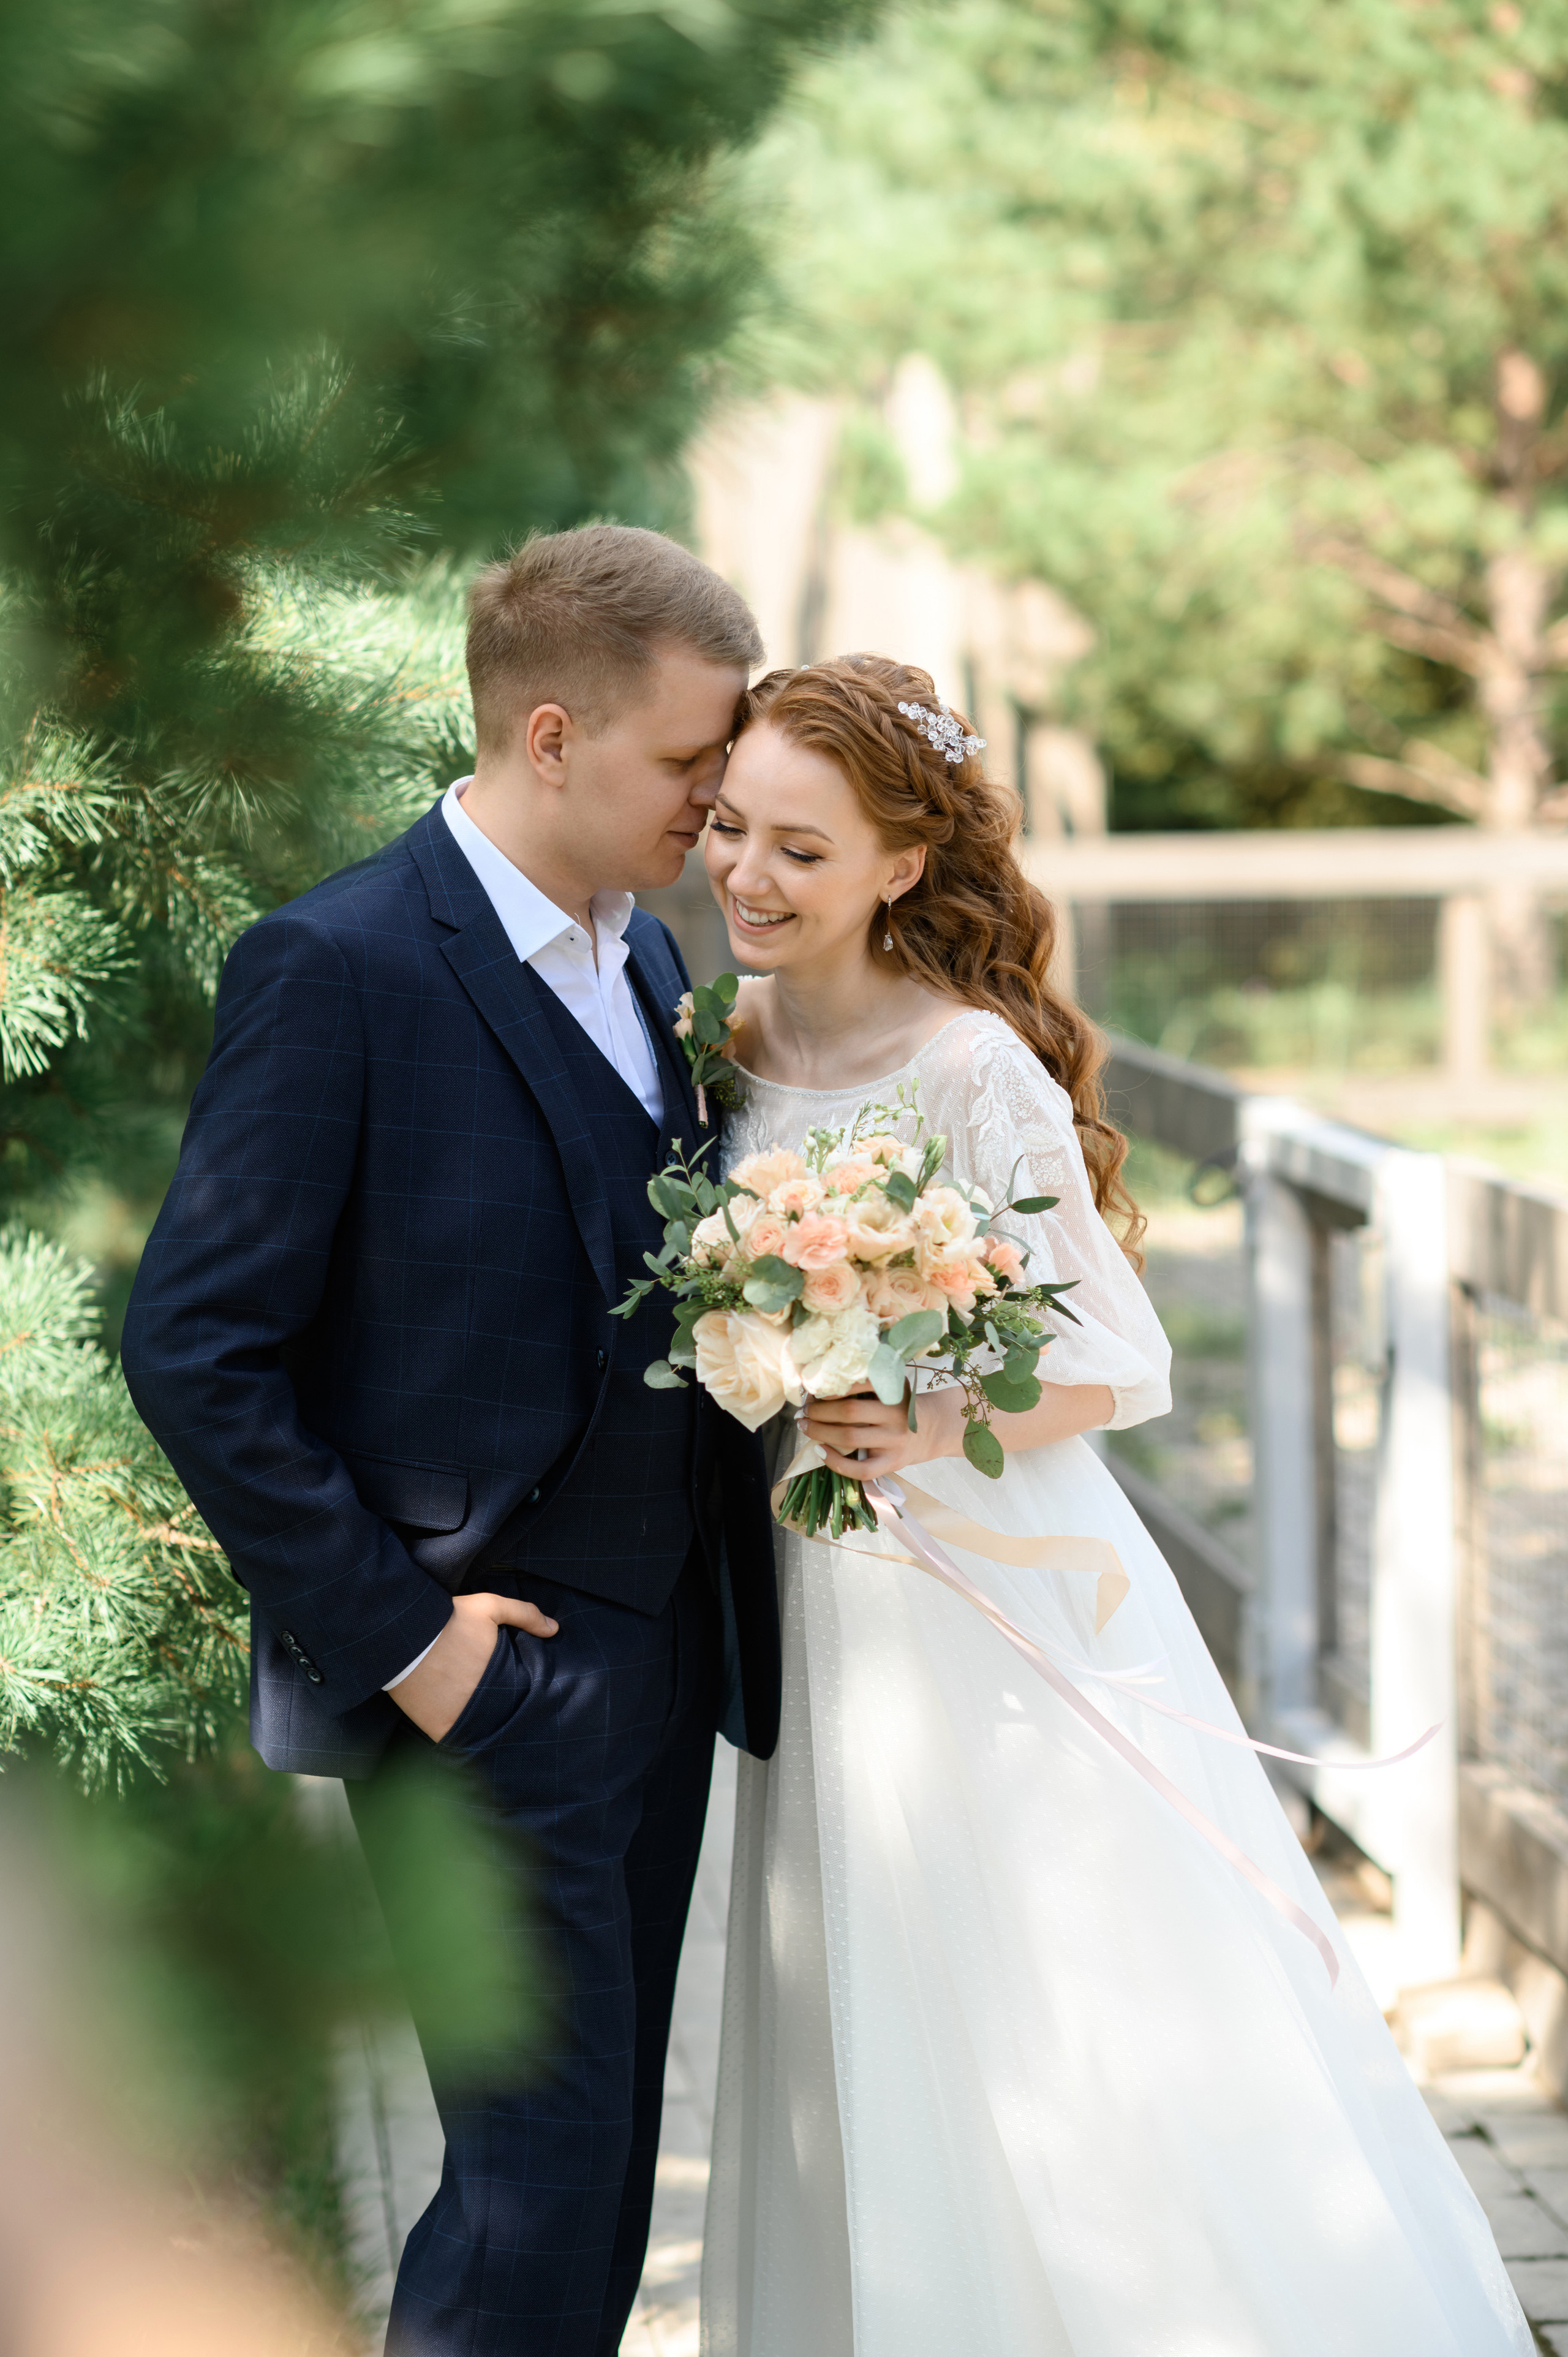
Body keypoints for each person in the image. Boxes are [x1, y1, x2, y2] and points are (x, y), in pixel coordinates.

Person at [696, 654, 1533, 2357]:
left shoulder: (972, 1066)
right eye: (727, 827)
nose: (746, 875)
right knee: (860, 1980)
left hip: (978, 1581)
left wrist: (929, 1412)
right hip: (813, 1589)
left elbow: (1118, 1354)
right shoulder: (734, 1037)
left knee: (1043, 1995)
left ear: (901, 866)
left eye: (800, 847)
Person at [119, 524, 783, 2357]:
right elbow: (193, 1348)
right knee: (527, 2210)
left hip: (666, 1654)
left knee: (599, 2188)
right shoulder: (334, 964)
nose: (717, 806)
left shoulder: (649, 960)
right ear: (551, 736)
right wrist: (413, 1650)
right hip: (475, 1677)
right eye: (688, 761)